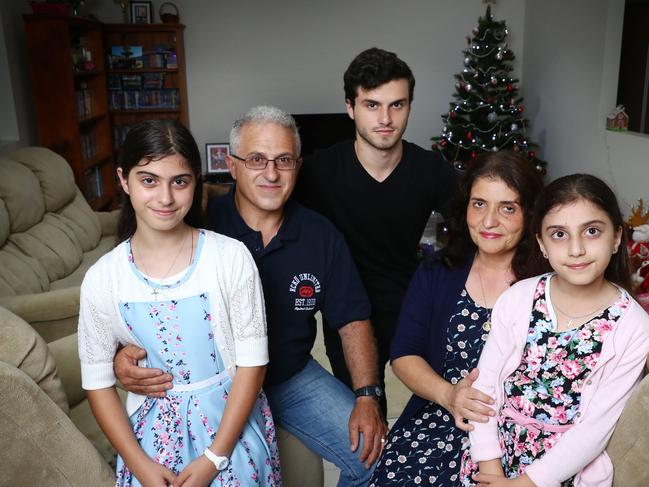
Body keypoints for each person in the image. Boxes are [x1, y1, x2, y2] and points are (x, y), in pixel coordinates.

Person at [114, 106, 388, 487]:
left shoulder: (321, 235)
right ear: (232, 165)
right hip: (215, 385)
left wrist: (367, 396)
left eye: (284, 160)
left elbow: (352, 319)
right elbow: (136, 294)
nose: (271, 173)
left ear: (298, 165)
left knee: (379, 457)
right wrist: (119, 357)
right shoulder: (196, 224)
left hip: (290, 376)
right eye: (257, 159)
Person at [78, 119, 281, 486]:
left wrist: (215, 457)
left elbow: (253, 364)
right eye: (149, 180)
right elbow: (97, 383)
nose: (166, 198)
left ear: (196, 182)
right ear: (125, 181)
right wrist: (138, 463)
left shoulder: (230, 258)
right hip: (148, 442)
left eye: (180, 181)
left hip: (228, 429)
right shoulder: (102, 278)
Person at [293, 47, 458, 414]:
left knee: (438, 408)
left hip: (411, 305)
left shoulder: (432, 170)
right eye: (371, 105)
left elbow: (478, 223)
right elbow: (263, 205)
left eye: (397, 105)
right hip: (347, 316)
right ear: (350, 107)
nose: (385, 118)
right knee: (366, 424)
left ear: (410, 106)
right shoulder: (319, 172)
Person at [460, 174, 649, 486]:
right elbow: (485, 389)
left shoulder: (633, 328)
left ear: (617, 237)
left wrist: (523, 484)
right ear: (542, 244)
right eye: (559, 234)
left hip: (561, 470)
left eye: (591, 231)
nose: (576, 249)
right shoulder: (519, 298)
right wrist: (491, 470)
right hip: (492, 455)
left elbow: (594, 430)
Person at [368, 152, 543, 486]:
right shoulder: (438, 271)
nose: (489, 221)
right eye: (479, 204)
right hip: (443, 414)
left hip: (520, 429)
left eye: (507, 207)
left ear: (530, 214)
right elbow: (404, 353)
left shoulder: (548, 282)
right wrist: (449, 396)